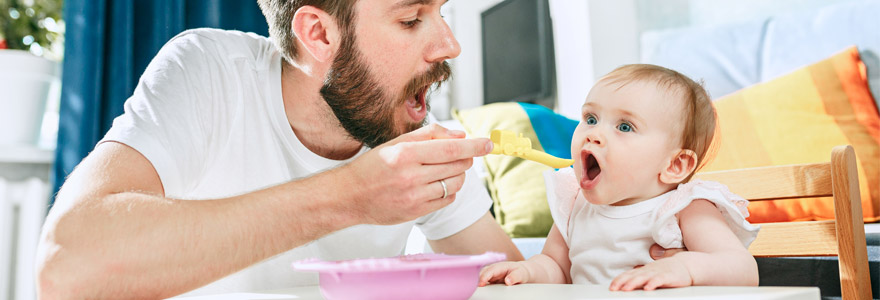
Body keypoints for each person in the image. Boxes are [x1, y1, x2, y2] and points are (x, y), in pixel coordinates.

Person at [35, 1, 681, 298]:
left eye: (442, 11)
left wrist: (606, 240)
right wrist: (350, 198)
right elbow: (66, 267)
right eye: (411, 18)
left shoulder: (411, 126)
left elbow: (508, 281)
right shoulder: (208, 72)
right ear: (318, 32)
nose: (449, 44)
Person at [478, 64, 761, 291]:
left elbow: (742, 269)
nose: (593, 133)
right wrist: (527, 271)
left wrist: (685, 268)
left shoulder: (685, 207)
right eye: (591, 118)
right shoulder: (574, 203)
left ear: (675, 164)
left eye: (624, 126)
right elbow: (556, 266)